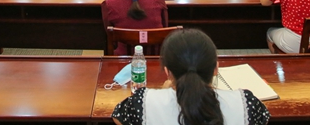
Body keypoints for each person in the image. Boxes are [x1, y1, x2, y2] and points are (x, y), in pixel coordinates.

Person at [112, 28, 270, 125]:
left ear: (168, 73)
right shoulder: (247, 104)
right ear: (216, 68)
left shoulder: (141, 102)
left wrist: (163, 92)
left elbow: (117, 116)